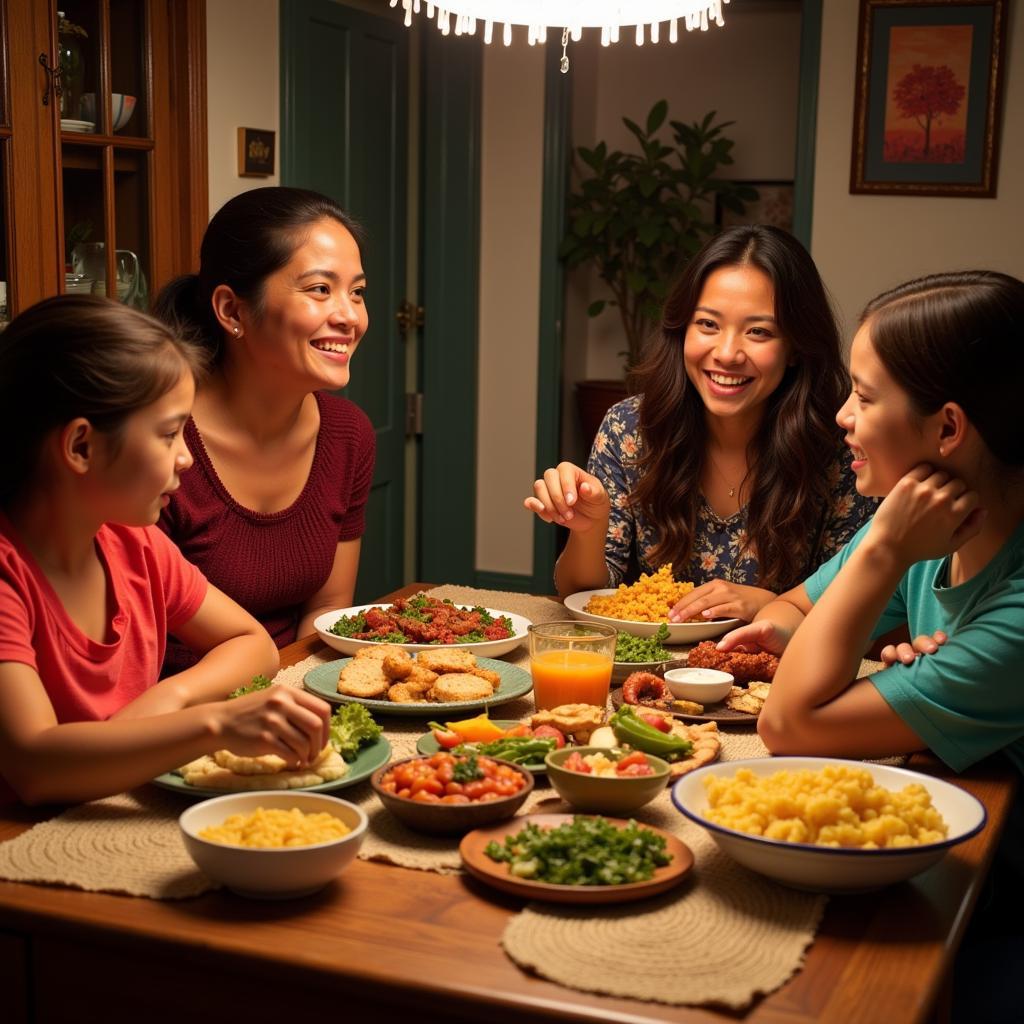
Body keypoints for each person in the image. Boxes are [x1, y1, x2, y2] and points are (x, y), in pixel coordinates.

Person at [716, 269, 1024, 1024]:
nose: (842, 418)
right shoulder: (942, 520)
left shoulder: (913, 537)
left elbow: (787, 728)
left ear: (947, 429)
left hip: (993, 912)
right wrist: (797, 634)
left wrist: (882, 553)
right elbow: (791, 611)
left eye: (865, 395)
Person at [0, 296, 331, 805]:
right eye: (169, 433)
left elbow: (252, 643)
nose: (186, 458)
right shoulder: (8, 574)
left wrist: (169, 698)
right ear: (81, 447)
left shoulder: (134, 544)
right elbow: (34, 765)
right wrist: (214, 723)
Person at [525, 225, 875, 621]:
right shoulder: (630, 428)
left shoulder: (841, 450)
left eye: (758, 332)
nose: (726, 354)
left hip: (775, 674)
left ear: (795, 348)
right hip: (649, 672)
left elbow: (857, 606)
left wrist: (769, 606)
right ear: (682, 329)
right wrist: (588, 526)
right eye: (708, 324)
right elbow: (583, 597)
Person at [153, 187, 376, 674]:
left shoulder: (348, 435)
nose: (349, 316)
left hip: (285, 695)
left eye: (356, 292)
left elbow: (325, 616)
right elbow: (140, 646)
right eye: (320, 289)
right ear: (232, 311)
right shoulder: (160, 442)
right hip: (174, 707)